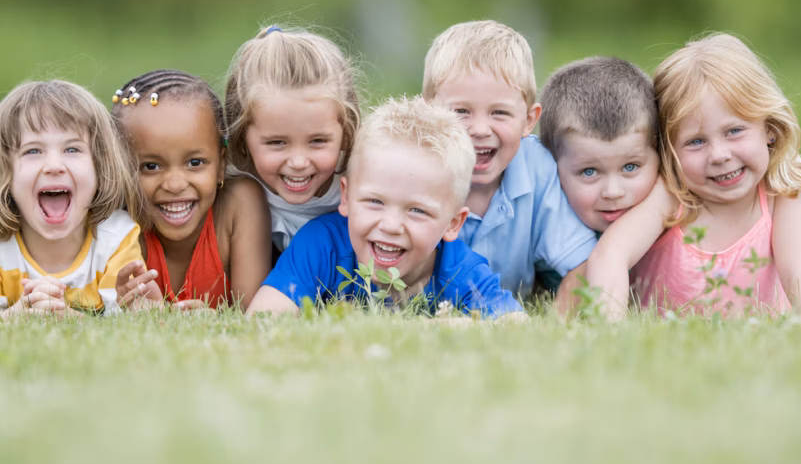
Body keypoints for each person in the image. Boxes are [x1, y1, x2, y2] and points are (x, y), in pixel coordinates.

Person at [586, 33, 801, 321]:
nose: (719, 155)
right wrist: (611, 328)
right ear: (669, 149)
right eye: (696, 142)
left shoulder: (778, 195)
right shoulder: (672, 196)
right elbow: (610, 255)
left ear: (770, 128)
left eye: (734, 131)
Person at [246, 96, 525, 321]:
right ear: (346, 196)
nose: (391, 225)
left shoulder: (458, 271)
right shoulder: (323, 245)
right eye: (375, 202)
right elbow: (262, 319)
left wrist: (444, 329)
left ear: (453, 223)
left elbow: (515, 325)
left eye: (417, 210)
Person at [0, 80, 161, 316]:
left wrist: (66, 315)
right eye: (33, 151)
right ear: (4, 171)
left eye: (72, 149)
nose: (54, 166)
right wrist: (15, 315)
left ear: (99, 166)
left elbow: (120, 321)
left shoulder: (116, 238)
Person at [422, 20, 595, 301]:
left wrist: (560, 330)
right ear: (428, 112)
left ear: (528, 121)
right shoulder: (412, 167)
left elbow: (581, 264)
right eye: (461, 111)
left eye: (499, 113)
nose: (479, 129)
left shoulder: (537, 168)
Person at [112, 70, 271, 310]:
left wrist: (212, 320)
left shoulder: (239, 205)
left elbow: (255, 315)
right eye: (151, 166)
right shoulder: (119, 225)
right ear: (121, 169)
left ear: (221, 165)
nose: (175, 185)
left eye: (195, 163)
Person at [224, 25, 361, 253]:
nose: (298, 162)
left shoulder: (363, 188)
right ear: (242, 138)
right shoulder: (233, 193)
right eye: (277, 143)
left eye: (317, 141)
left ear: (345, 134)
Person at [538, 56, 660, 234]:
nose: (613, 192)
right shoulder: (542, 240)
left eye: (630, 167)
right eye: (589, 171)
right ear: (551, 165)